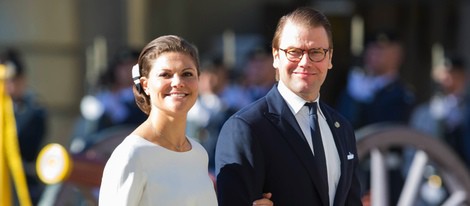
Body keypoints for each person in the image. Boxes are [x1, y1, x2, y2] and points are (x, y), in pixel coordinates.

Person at [99, 35, 273, 206]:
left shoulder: (198, 154)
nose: (178, 82)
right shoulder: (131, 155)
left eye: (187, 74)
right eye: (165, 74)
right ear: (145, 85)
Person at [215, 7, 363, 206]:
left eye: (316, 52)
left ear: (329, 58)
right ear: (276, 56)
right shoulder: (246, 128)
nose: (305, 62)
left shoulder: (341, 128)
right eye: (294, 52)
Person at [336, 30, 415, 130]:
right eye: (371, 49)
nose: (373, 54)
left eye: (381, 50)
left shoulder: (401, 94)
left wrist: (361, 102)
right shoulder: (354, 85)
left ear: (397, 55)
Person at [2, 48, 47, 205]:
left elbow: (24, 143)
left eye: (13, 80)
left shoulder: (33, 110)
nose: (8, 86)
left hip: (23, 182)